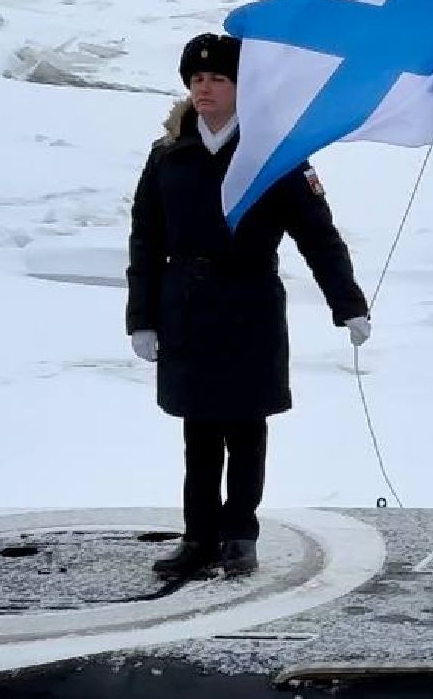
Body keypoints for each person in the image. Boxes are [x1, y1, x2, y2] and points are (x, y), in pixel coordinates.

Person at [126, 33, 371, 580]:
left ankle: (240, 534)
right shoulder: (170, 155)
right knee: (198, 432)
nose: (204, 88)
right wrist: (141, 318)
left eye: (216, 79)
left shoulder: (274, 155)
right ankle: (198, 537)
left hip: (249, 307)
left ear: (241, 88)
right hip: (186, 309)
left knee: (245, 428)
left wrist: (347, 302)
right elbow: (145, 240)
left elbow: (319, 236)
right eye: (196, 80)